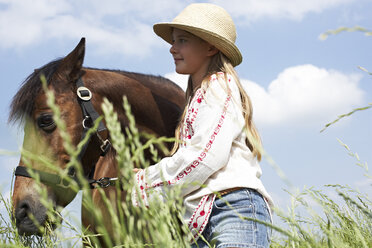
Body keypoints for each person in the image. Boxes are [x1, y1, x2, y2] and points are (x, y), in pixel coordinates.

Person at [132, 3, 273, 247]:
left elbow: (204, 157)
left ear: (210, 47)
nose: (172, 48)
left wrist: (146, 180)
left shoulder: (219, 87)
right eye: (173, 41)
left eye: (182, 40)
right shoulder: (201, 95)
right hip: (204, 218)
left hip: (232, 209)